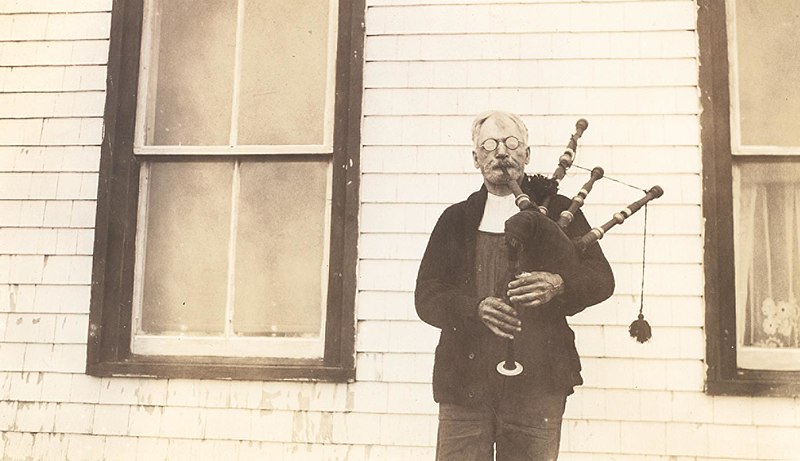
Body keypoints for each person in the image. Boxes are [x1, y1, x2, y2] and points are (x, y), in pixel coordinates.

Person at [415, 110, 615, 461]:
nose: (501, 153)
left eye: (511, 143)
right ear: (475, 158)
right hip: (466, 384)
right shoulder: (455, 218)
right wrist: (474, 308)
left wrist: (560, 283)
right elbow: (427, 295)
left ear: (527, 154)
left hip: (538, 382)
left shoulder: (558, 212)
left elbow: (601, 279)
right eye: (489, 145)